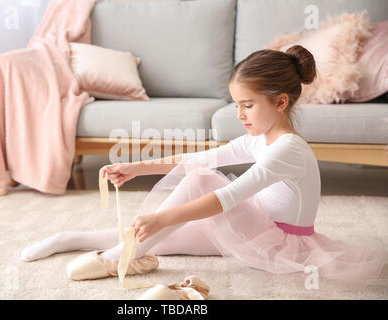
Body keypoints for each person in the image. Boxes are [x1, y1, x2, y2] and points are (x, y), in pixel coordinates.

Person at [21, 45, 386, 287]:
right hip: (254, 225)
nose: (239, 114)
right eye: (236, 105)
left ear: (280, 102)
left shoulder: (288, 148)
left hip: (277, 241)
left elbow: (227, 196)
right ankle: (70, 241)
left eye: (247, 105)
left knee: (187, 197)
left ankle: (120, 258)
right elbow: (203, 157)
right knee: (160, 240)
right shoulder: (262, 136)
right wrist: (137, 168)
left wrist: (163, 216)